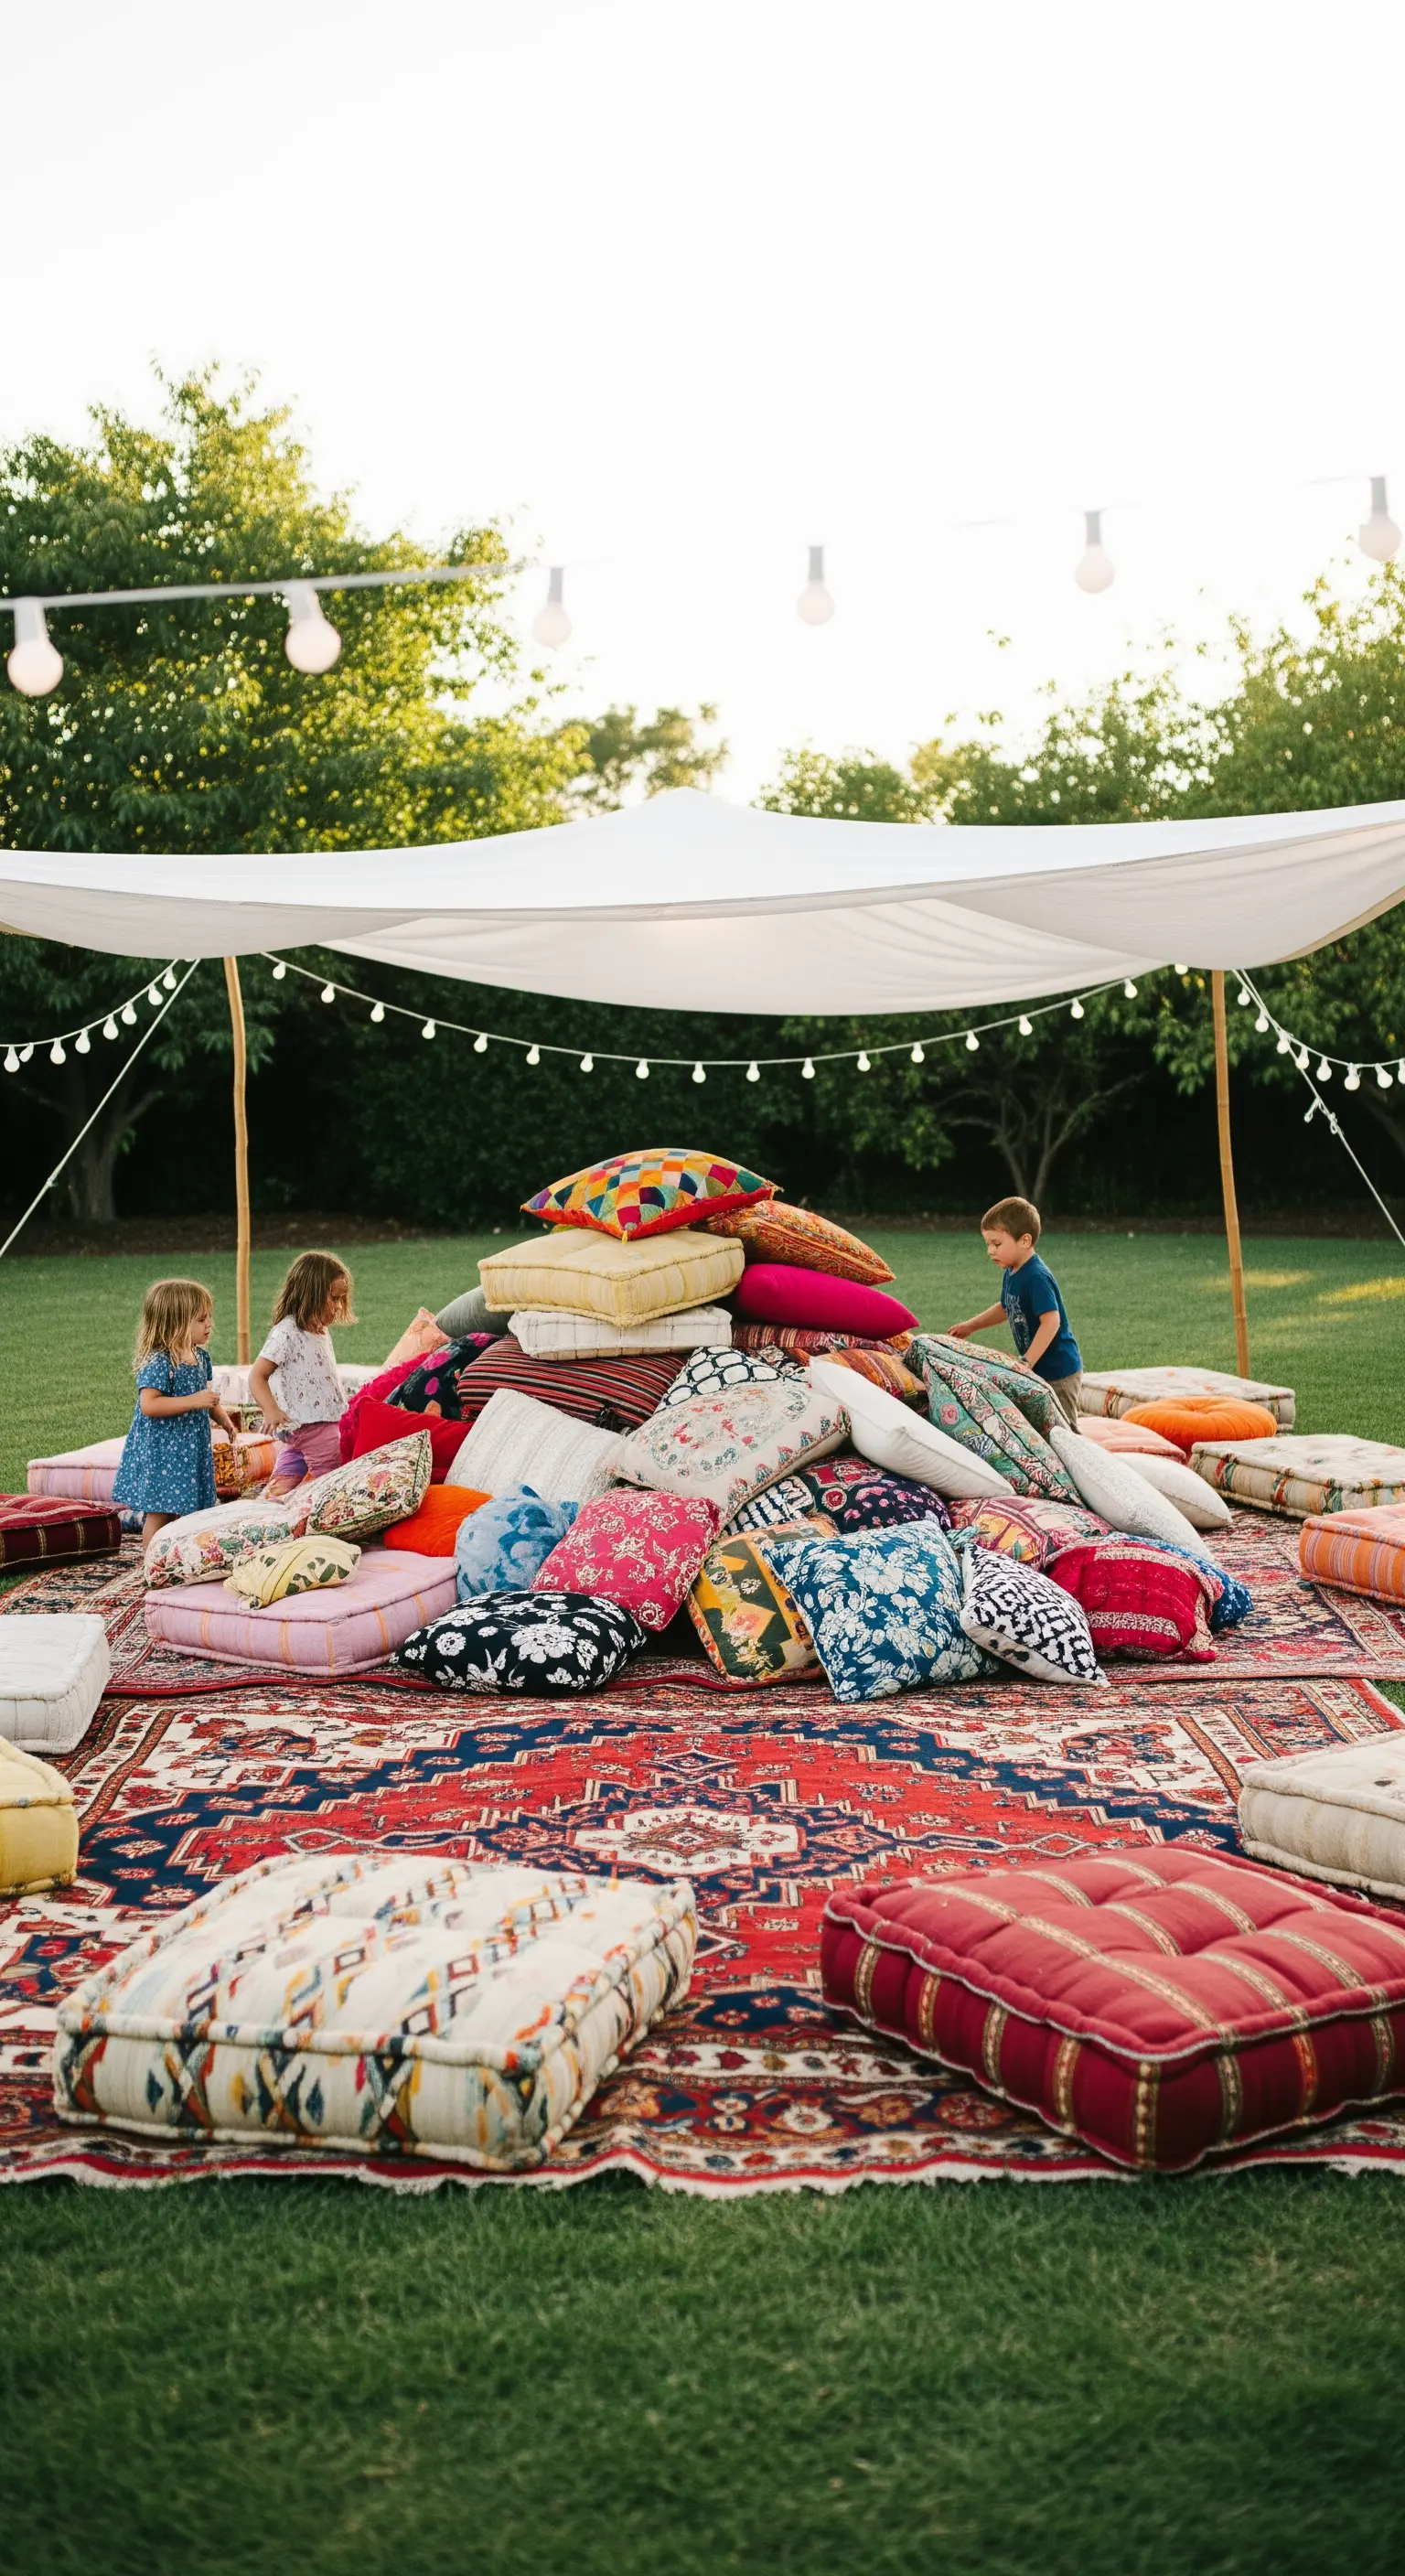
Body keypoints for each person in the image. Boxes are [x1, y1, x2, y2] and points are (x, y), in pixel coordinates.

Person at [113, 1277, 236, 1551]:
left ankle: (181, 1556)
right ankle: (152, 1561)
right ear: (176, 1323)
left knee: (188, 1509)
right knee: (161, 1512)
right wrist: (194, 1401)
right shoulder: (160, 1361)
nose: (209, 1325)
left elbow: (207, 1398)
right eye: (201, 1319)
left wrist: (224, 1420)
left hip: (189, 1450)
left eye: (209, 1318)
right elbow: (150, 1405)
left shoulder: (200, 1357)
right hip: (163, 1452)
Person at [949, 1194, 1084, 1427]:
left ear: (1025, 1241)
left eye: (997, 1244)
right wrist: (971, 1325)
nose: (990, 1251)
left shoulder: (1036, 1276)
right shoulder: (1012, 1272)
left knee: (1064, 1430)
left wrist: (1027, 1361)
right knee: (1040, 1426)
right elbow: (1006, 1307)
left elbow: (1051, 1322)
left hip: (1059, 1371)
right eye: (988, 1244)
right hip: (1037, 1369)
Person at [251, 1250, 356, 1496]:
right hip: (314, 1426)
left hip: (302, 1427)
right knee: (330, 1486)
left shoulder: (318, 1330)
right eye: (334, 1298)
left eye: (341, 1299)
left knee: (281, 1487)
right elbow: (257, 1376)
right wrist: (270, 1409)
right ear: (311, 1294)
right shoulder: (287, 1331)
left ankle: (268, 1513)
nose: (338, 1306)